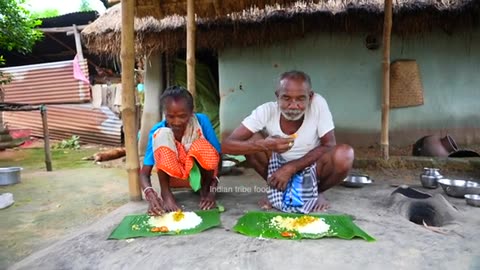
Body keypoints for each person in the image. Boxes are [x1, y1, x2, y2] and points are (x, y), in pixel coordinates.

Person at [221, 70, 354, 213]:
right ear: (277, 96)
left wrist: (291, 167)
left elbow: (329, 144)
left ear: (310, 97)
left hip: (312, 166)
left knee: (345, 155)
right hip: (276, 167)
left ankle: (317, 192)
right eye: (286, 98)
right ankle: (276, 190)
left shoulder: (318, 104)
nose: (293, 105)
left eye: (301, 99)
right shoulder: (266, 111)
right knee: (250, 139)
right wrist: (264, 144)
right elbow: (226, 145)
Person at [140, 86, 221, 215]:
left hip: (201, 179)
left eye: (182, 116)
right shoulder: (158, 130)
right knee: (161, 134)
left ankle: (204, 190)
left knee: (202, 145)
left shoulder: (201, 121)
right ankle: (166, 194)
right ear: (164, 114)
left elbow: (218, 157)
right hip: (175, 179)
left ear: (191, 112)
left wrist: (211, 191)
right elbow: (144, 173)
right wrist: (151, 195)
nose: (176, 122)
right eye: (171, 116)